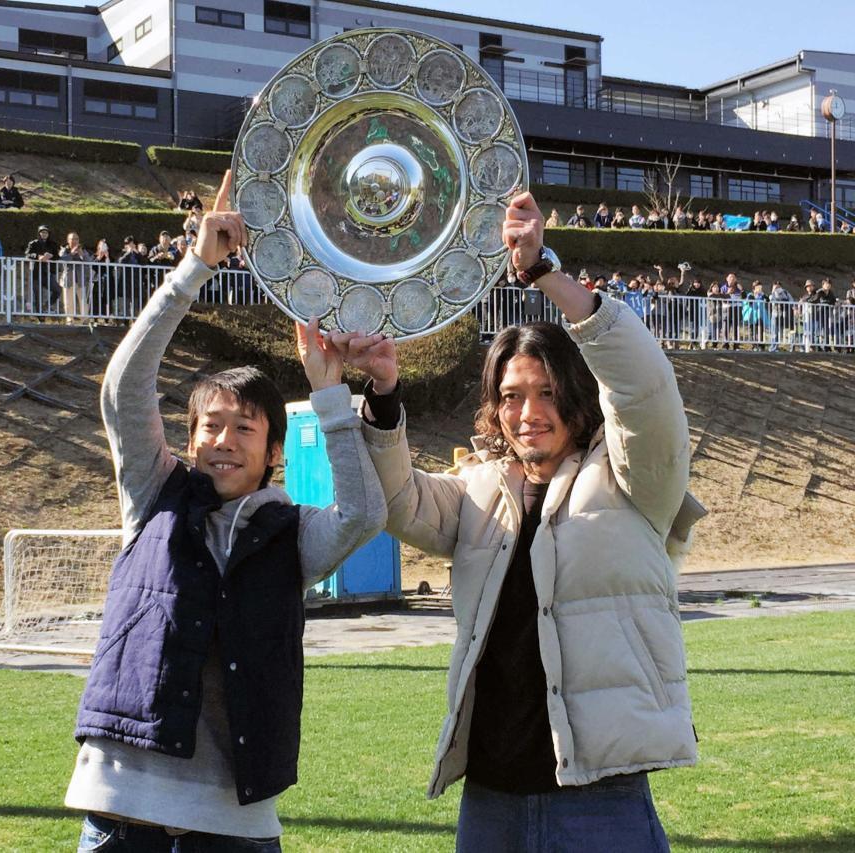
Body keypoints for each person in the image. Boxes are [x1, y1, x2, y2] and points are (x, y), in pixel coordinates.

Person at [342, 191, 704, 853]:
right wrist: (385, 397)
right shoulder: (481, 490)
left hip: (602, 803)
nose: (527, 411)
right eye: (510, 396)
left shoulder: (633, 479)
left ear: (577, 393)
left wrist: (546, 275)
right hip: (491, 803)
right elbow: (398, 501)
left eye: (544, 391)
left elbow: (646, 390)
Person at [64, 170, 385, 851]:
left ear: (272, 450)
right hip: (125, 807)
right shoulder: (156, 494)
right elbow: (125, 388)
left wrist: (330, 394)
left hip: (233, 820)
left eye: (244, 428)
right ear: (188, 440)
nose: (223, 440)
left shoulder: (290, 532)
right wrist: (195, 268)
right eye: (210, 425)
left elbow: (361, 513)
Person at [58, 232, 92, 324]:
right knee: (68, 301)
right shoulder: (64, 250)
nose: (74, 241)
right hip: (68, 279)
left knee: (83, 300)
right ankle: (70, 319)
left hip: (80, 280)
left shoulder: (82, 250)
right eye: (72, 239)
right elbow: (61, 260)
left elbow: (89, 261)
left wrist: (82, 255)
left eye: (76, 239)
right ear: (68, 240)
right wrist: (72, 254)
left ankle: (84, 319)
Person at [25, 225, 60, 315]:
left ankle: (46, 305)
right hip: (35, 273)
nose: (44, 234)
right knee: (38, 296)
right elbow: (28, 254)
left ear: (49, 234)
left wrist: (51, 256)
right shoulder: (33, 243)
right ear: (39, 233)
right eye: (42, 232)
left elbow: (57, 256)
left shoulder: (53, 244)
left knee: (57, 290)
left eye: (46, 232)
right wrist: (38, 256)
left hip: (47, 273)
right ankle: (40, 316)